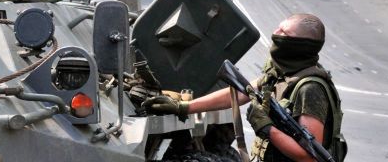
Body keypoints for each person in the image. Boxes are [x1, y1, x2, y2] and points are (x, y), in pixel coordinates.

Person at [144, 13, 345, 162]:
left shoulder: (309, 89)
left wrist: (267, 129)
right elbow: (241, 92)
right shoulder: (283, 74)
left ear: (300, 45)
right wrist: (185, 107)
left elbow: (309, 156)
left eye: (284, 33)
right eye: (279, 28)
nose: (276, 34)